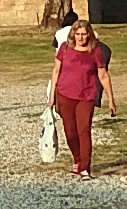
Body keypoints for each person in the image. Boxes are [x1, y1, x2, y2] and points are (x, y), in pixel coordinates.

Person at [48, 19, 115, 179]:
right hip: (65, 95)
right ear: (73, 34)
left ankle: (85, 168)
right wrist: (52, 96)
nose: (80, 37)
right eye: (77, 34)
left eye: (83, 34)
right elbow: (56, 71)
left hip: (86, 95)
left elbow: (103, 75)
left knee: (83, 131)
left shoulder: (96, 52)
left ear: (89, 35)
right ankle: (77, 160)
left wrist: (111, 99)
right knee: (70, 132)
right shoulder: (64, 49)